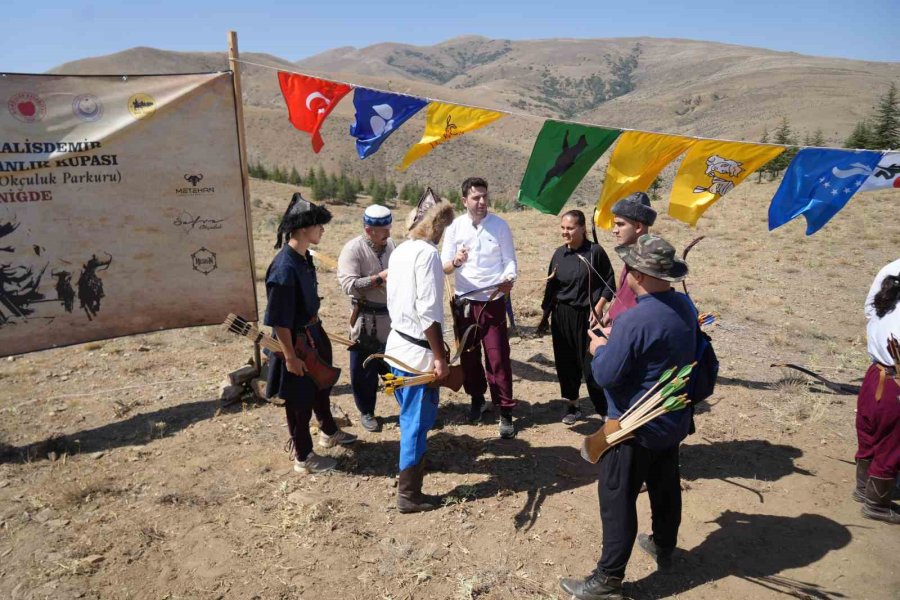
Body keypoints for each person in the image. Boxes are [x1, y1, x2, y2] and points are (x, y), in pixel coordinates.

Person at [561, 234, 696, 599]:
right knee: (665, 483)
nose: (627, 272)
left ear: (639, 272)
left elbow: (605, 375)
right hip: (670, 418)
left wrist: (600, 346)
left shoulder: (636, 320)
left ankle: (607, 580)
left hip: (633, 425)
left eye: (630, 267)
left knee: (617, 497)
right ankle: (664, 543)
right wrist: (616, 339)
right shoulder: (684, 306)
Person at [265, 193, 357, 475]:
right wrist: (291, 357)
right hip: (295, 342)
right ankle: (303, 456)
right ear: (304, 228)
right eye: (318, 225)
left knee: (321, 386)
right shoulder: (283, 268)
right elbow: (279, 321)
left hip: (313, 333)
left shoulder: (303, 259)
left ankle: (329, 431)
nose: (322, 229)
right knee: (299, 400)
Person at [383, 194, 456, 513]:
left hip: (397, 348)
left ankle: (412, 473)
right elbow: (427, 312)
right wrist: (440, 356)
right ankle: (408, 494)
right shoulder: (426, 255)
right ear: (435, 226)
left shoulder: (400, 251)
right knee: (415, 420)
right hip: (415, 355)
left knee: (413, 417)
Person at [441, 177, 518, 438]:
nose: (482, 201)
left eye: (484, 196)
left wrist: (508, 279)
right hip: (465, 302)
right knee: (469, 355)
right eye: (476, 197)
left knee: (497, 356)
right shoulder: (454, 228)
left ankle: (505, 410)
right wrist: (457, 261)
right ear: (464, 201)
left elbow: (509, 261)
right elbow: (444, 266)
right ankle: (477, 399)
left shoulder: (500, 226)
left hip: (493, 301)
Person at [540, 209, 615, 424]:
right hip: (562, 316)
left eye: (570, 228)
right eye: (563, 228)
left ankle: (604, 410)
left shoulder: (595, 252)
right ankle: (573, 405)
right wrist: (545, 316)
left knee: (592, 365)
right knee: (566, 363)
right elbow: (551, 287)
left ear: (582, 228)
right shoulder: (558, 254)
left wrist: (599, 306)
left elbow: (609, 282)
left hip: (588, 317)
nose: (565, 232)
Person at [337, 205, 396, 432]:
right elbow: (349, 285)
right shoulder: (353, 249)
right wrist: (378, 279)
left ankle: (406, 405)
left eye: (389, 228)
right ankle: (367, 411)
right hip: (365, 319)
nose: (388, 234)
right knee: (364, 369)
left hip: (390, 317)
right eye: (383, 230)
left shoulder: (390, 245)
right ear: (369, 230)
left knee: (393, 365)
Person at [853, 258, 900, 524]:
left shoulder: (892, 271)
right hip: (895, 381)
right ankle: (877, 504)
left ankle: (863, 488)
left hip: (876, 375)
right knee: (892, 444)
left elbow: (871, 312)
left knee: (870, 434)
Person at [601, 192, 656, 326]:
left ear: (638, 227)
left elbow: (644, 313)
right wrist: (609, 314)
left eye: (620, 225)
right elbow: (624, 295)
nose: (614, 230)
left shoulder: (649, 262)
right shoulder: (633, 255)